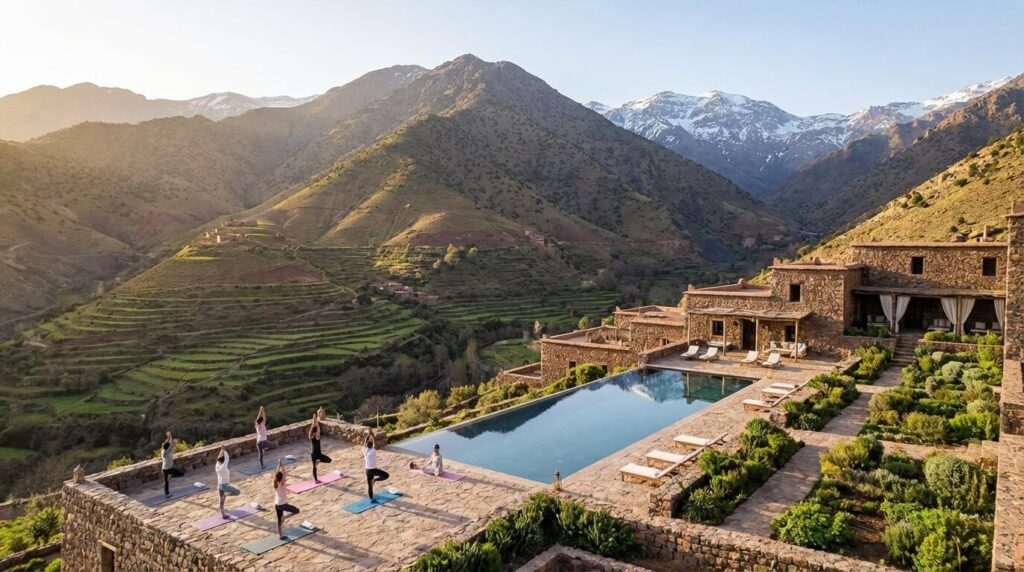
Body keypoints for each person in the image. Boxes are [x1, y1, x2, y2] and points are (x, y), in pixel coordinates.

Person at [272, 459, 300, 540]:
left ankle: (280, 536)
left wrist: (279, 464)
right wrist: (282, 464)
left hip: (276, 504)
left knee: (279, 521)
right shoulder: (282, 483)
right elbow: (284, 471)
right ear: (282, 478)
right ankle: (285, 517)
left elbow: (276, 474)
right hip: (283, 504)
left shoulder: (275, 483)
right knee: (296, 511)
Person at [215, 446, 241, 519]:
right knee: (237, 492)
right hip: (225, 486)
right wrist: (224, 451)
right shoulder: (223, 466)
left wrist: (221, 450)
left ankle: (223, 514)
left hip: (220, 485)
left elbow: (219, 459)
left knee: (221, 501)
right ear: (223, 461)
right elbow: (227, 458)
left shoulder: (217, 466)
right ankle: (227, 495)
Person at [363, 430, 389, 501]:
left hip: (367, 470)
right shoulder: (373, 451)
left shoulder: (364, 450)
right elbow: (374, 442)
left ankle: (371, 498)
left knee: (370, 486)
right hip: (373, 470)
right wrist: (371, 435)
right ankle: (375, 480)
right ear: (372, 446)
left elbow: (365, 443)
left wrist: (368, 435)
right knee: (386, 475)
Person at [308, 413, 332, 483]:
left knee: (314, 467)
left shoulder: (311, 436)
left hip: (313, 454)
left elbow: (311, 430)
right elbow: (318, 427)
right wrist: (316, 421)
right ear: (316, 432)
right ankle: (319, 461)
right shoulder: (317, 437)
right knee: (329, 460)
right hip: (318, 454)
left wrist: (313, 420)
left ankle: (315, 480)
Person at [161, 431, 185, 497]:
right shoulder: (168, 451)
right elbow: (171, 444)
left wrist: (167, 438)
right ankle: (171, 476)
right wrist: (170, 436)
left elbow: (166, 444)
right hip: (169, 469)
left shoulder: (163, 451)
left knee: (166, 482)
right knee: (181, 474)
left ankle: (167, 493)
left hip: (164, 469)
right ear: (168, 448)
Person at [255, 405, 274, 470]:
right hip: (263, 442)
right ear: (262, 421)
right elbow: (264, 417)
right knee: (274, 445)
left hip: (258, 442)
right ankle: (266, 448)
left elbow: (258, 418)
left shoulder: (257, 425)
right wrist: (263, 411)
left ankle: (262, 465)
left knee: (261, 453)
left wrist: (260, 411)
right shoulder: (262, 424)